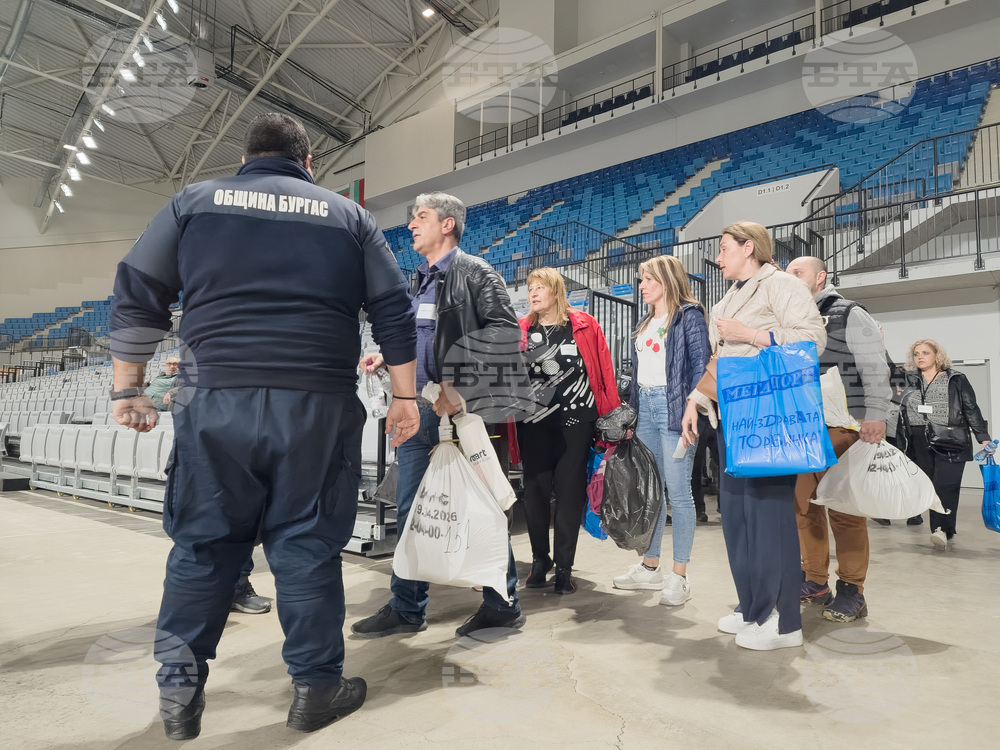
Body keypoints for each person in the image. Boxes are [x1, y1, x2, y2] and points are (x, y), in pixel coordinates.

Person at [109, 113, 419, 740]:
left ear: (247, 156)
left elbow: (137, 289)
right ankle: (316, 689)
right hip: (315, 404)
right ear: (309, 162)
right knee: (306, 547)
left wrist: (129, 389)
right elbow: (393, 309)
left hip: (214, 399)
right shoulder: (348, 216)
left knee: (202, 547)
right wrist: (406, 397)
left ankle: (179, 697)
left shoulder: (192, 202)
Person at [353, 191, 528, 639]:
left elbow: (506, 336)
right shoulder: (417, 280)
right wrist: (383, 360)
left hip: (456, 411)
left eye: (421, 217)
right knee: (413, 508)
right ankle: (407, 606)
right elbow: (415, 339)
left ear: (447, 224)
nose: (412, 224)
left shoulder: (476, 272)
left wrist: (460, 389)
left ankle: (502, 602)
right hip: (418, 407)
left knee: (480, 506)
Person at [681, 222, 826, 651]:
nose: (719, 257)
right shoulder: (727, 297)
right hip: (733, 418)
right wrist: (696, 399)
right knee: (738, 519)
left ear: (749, 248)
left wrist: (755, 336)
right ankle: (753, 606)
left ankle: (784, 623)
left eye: (725, 248)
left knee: (769, 519)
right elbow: (718, 360)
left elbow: (812, 341)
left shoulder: (780, 284)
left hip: (768, 418)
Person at [785, 256, 891, 622]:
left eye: (798, 273)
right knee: (804, 507)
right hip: (802, 426)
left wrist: (877, 414)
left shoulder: (849, 312)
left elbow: (876, 365)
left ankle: (852, 589)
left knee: (845, 511)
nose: (792, 280)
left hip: (843, 425)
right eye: (788, 275)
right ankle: (815, 580)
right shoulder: (792, 319)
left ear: (820, 276)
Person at [612, 255, 710, 606]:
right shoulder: (646, 320)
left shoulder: (690, 316)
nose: (642, 286)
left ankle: (679, 575)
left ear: (667, 281)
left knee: (679, 493)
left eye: (648, 280)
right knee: (650, 491)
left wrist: (692, 408)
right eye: (641, 279)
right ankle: (650, 567)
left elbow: (701, 367)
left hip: (676, 410)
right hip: (647, 410)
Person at [517, 267, 620, 594]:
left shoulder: (585, 325)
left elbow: (604, 371)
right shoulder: (521, 329)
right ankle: (539, 560)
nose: (533, 294)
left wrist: (612, 416)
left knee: (569, 494)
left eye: (540, 288)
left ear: (556, 291)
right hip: (533, 423)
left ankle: (564, 567)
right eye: (530, 288)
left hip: (577, 422)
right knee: (534, 492)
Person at [897, 339, 990, 549]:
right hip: (919, 439)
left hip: (950, 438)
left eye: (925, 353)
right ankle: (941, 529)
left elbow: (970, 409)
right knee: (929, 486)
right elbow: (900, 411)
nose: (920, 357)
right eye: (916, 353)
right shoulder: (910, 380)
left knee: (945, 485)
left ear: (937, 355)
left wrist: (983, 436)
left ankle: (942, 530)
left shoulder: (955, 379)